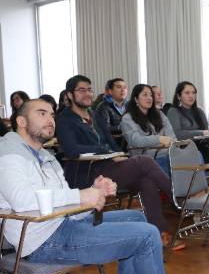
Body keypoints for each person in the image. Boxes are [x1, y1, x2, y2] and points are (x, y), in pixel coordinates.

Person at [0, 98, 203, 274]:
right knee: (146, 235)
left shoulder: (45, 156)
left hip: (64, 226)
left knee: (137, 218)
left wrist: (93, 194)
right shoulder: (7, 154)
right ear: (21, 121)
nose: (50, 120)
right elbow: (23, 202)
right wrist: (82, 196)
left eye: (52, 115)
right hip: (42, 242)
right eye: (42, 113)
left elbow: (66, 205)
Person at [55, 75, 179, 248]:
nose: (87, 93)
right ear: (69, 95)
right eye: (81, 90)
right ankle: (178, 197)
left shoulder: (94, 115)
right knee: (144, 162)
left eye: (89, 89)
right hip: (86, 173)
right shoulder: (64, 120)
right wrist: (105, 151)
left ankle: (160, 232)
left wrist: (117, 153)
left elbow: (111, 141)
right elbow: (71, 150)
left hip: (108, 167)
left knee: (146, 180)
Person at [120, 84, 176, 175]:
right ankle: (171, 188)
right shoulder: (127, 118)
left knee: (194, 155)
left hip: (167, 153)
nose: (149, 98)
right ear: (136, 99)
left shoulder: (160, 115)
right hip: (145, 159)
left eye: (151, 95)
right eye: (145, 95)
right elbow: (136, 141)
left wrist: (166, 142)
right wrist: (159, 139)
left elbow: (172, 138)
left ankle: (192, 188)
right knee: (167, 160)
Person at [166, 81, 209, 162]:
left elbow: (208, 133)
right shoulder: (173, 111)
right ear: (178, 96)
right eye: (187, 93)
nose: (191, 96)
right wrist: (201, 133)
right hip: (185, 147)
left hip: (203, 145)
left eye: (193, 92)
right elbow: (177, 134)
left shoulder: (199, 111)